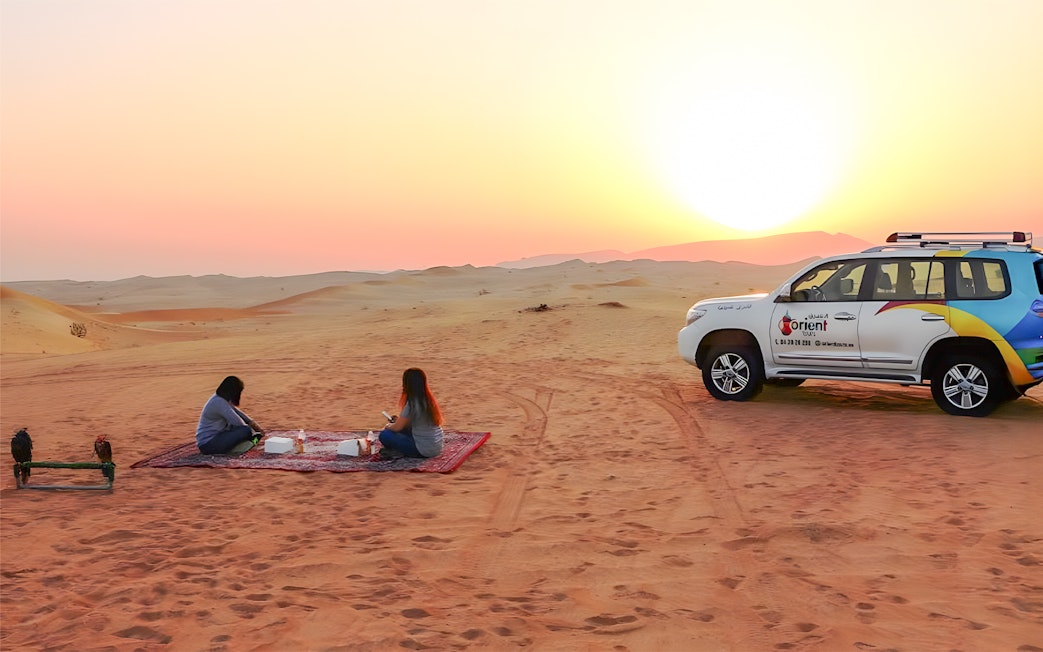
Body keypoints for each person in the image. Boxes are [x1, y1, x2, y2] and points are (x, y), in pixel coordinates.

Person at [378, 368, 444, 459]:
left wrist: (388, 425)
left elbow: (397, 428)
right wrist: (399, 421)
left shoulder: (412, 403)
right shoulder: (429, 400)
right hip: (436, 446)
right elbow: (414, 424)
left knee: (385, 435)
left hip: (423, 450)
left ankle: (402, 452)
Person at [196, 376, 265, 454]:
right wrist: (254, 431)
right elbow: (239, 423)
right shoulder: (219, 402)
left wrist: (255, 425)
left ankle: (235, 444)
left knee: (243, 429)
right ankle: (249, 443)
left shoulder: (220, 398)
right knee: (246, 431)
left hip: (213, 439)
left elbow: (237, 411)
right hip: (209, 445)